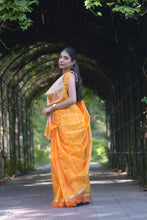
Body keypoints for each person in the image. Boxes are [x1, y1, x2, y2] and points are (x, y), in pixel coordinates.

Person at [44, 47, 92, 207]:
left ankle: (74, 196)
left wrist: (52, 107)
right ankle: (76, 196)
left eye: (65, 58)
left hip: (70, 121)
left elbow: (72, 99)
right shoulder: (64, 76)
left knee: (70, 159)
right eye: (60, 57)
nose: (61, 60)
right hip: (64, 121)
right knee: (66, 159)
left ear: (73, 62)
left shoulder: (69, 76)